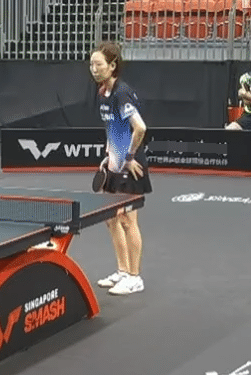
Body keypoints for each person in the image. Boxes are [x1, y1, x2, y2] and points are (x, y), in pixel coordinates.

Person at [89, 41, 152, 296]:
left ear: (112, 65)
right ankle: (122, 271)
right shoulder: (102, 92)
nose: (94, 69)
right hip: (114, 162)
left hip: (130, 165)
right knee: (111, 218)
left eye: (98, 64)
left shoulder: (121, 93)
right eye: (91, 64)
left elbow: (140, 128)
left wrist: (128, 157)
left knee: (128, 220)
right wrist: (108, 155)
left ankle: (135, 277)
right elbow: (112, 128)